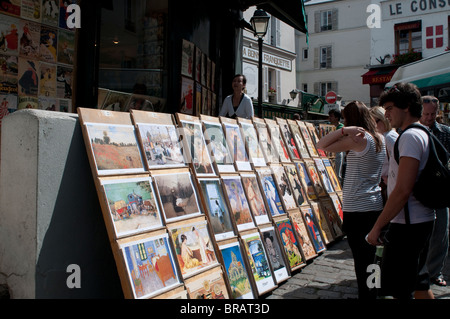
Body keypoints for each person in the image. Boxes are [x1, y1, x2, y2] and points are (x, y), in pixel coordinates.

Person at [367, 83, 435, 299]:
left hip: (408, 224)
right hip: (417, 220)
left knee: (399, 289)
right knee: (419, 284)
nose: (386, 114)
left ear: (406, 106)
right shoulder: (419, 133)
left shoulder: (409, 137)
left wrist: (378, 226)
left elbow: (403, 189)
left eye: (389, 108)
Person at [317, 101, 385, 299]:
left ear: (351, 119)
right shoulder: (378, 137)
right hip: (374, 205)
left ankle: (367, 295)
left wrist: (344, 130)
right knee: (372, 258)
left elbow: (320, 145)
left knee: (361, 259)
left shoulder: (358, 140)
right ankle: (374, 291)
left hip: (357, 207)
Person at [420, 95, 450, 287]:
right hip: (419, 188)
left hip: (440, 190)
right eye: (426, 114)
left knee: (441, 232)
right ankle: (418, 270)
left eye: (432, 113)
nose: (429, 117)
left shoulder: (446, 132)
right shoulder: (411, 131)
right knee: (421, 233)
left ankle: (435, 271)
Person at [370, 106, 399, 204]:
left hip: (388, 186)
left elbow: (399, 164)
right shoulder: (385, 136)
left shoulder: (389, 137)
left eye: (375, 122)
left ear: (383, 120)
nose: (372, 126)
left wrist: (390, 179)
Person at [328, 109, 345, 185]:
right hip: (330, 153)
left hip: (337, 153)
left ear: (337, 117)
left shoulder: (341, 127)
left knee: (337, 174)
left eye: (331, 116)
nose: (329, 118)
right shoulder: (329, 126)